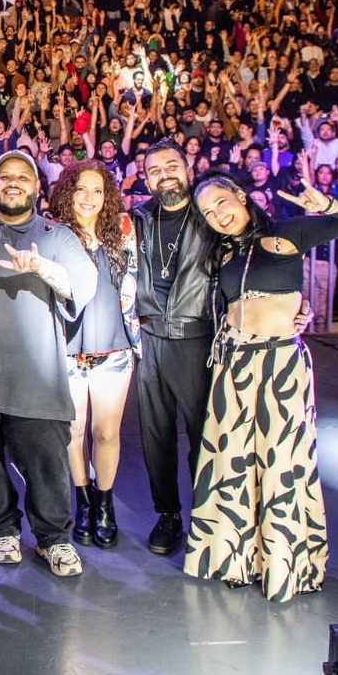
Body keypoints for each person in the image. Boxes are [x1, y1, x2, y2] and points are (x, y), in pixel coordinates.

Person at [185, 173, 338, 602]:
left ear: (240, 195)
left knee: (283, 464)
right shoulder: (223, 253)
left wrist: (328, 205)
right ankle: (235, 558)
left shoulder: (288, 233)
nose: (219, 215)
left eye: (222, 203)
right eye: (209, 213)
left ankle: (285, 564)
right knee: (233, 463)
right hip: (234, 366)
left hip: (281, 363)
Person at [0, 151, 97, 577]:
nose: (13, 182)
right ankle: (2, 528)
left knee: (45, 464)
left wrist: (42, 266)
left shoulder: (55, 235)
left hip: (35, 378)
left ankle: (53, 539)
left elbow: (82, 284)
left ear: (36, 187)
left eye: (22, 177)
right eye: (3, 176)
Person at [127, 140, 218, 555]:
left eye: (171, 166)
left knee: (204, 435)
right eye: (154, 170)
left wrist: (291, 299)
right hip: (150, 341)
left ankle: (209, 514)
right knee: (156, 437)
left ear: (189, 166)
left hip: (197, 339)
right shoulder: (140, 218)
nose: (164, 175)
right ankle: (169, 515)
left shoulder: (209, 216)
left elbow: (253, 253)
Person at [47, 160, 138, 549]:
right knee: (74, 431)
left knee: (106, 431)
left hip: (115, 349)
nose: (89, 197)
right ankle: (82, 501)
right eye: (81, 189)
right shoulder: (54, 232)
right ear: (68, 192)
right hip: (67, 351)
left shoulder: (123, 230)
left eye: (98, 190)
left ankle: (105, 505)